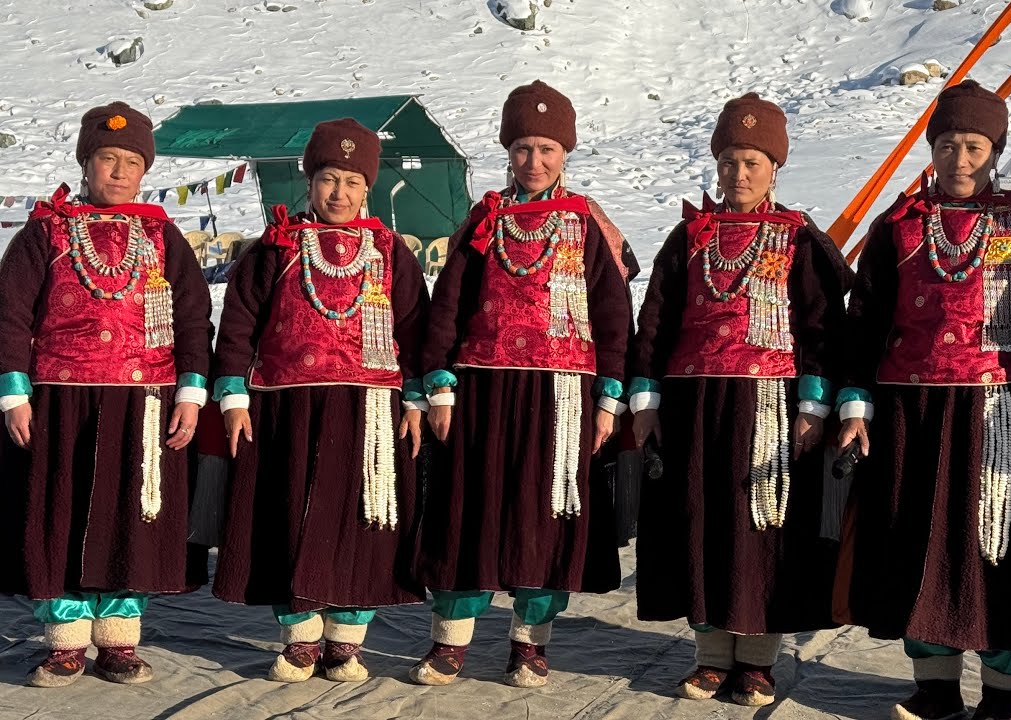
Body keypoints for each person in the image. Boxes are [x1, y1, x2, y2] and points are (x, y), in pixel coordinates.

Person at [833, 80, 1011, 720]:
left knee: (1002, 549)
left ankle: (1004, 696)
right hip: (910, 413)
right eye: (947, 145)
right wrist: (857, 405)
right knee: (919, 545)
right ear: (932, 149)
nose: (960, 159)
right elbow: (864, 322)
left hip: (1007, 414)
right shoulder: (899, 225)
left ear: (994, 149)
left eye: (974, 145)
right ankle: (936, 687)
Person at [628, 92, 852, 707]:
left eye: (752, 162)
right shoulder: (689, 237)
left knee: (763, 527)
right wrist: (645, 398)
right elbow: (656, 322)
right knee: (699, 519)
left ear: (775, 168)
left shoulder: (799, 239)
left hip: (771, 410)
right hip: (694, 407)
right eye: (729, 161)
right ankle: (709, 656)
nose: (739, 175)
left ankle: (756, 660)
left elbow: (821, 328)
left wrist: (812, 409)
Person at [410, 80, 632, 689]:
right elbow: (446, 307)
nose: (534, 162)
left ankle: (530, 644)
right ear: (508, 150)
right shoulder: (483, 220)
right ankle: (451, 639)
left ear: (566, 154)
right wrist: (441, 386)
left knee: (545, 516)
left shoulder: (587, 224)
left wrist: (609, 399)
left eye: (547, 150)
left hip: (562, 396)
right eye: (523, 148)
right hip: (481, 393)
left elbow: (614, 318)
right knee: (467, 510)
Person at [0, 101, 213, 687]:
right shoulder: (43, 232)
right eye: (107, 159)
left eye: (131, 162)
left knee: (130, 516)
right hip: (60, 400)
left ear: (145, 170)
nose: (119, 172)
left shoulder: (164, 237)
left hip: (145, 403)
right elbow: (11, 317)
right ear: (85, 163)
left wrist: (191, 394)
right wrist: (14, 393)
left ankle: (118, 639)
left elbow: (195, 320)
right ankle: (65, 639)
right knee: (61, 510)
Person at [212, 118, 429, 682]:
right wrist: (233, 396)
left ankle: (346, 641)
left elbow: (414, 328)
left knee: (362, 519)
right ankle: (301, 637)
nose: (340, 194)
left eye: (353, 183)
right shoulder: (275, 247)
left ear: (369, 189)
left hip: (371, 412)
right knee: (291, 512)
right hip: (287, 407)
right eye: (329, 179)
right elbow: (237, 325)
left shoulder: (389, 252)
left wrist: (416, 399)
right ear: (309, 183)